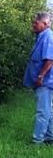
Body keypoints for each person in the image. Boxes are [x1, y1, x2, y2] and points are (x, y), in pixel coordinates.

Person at [24, 12, 53, 144]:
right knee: (48, 110)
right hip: (45, 82)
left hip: (45, 82)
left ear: (45, 24)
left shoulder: (48, 37)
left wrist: (40, 76)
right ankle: (49, 137)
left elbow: (49, 60)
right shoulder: (41, 36)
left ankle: (37, 141)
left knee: (42, 112)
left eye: (36, 23)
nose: (33, 25)